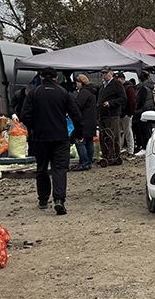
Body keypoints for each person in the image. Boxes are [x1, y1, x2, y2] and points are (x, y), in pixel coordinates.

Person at [20, 67, 81, 216]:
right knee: (59, 169)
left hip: (40, 138)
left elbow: (25, 115)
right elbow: (76, 114)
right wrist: (77, 132)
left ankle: (43, 199)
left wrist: (34, 128)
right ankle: (59, 199)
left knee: (41, 168)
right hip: (60, 137)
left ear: (41, 77)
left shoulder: (34, 93)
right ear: (56, 78)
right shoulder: (63, 92)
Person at [97, 69, 125, 167]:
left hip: (112, 114)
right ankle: (107, 155)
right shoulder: (103, 86)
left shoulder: (116, 84)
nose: (104, 75)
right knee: (104, 136)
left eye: (106, 73)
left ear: (111, 73)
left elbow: (123, 98)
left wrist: (110, 103)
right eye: (103, 73)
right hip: (103, 114)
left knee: (113, 135)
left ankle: (114, 156)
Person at [71, 74, 98, 171]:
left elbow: (78, 105)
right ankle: (89, 162)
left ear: (81, 82)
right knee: (89, 141)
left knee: (80, 141)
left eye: (77, 82)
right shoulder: (92, 92)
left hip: (84, 121)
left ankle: (84, 163)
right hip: (91, 121)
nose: (76, 84)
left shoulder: (84, 92)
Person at [121, 77, 138, 157]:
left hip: (126, 114)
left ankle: (130, 151)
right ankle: (125, 149)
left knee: (127, 132)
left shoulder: (128, 88)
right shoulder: (127, 88)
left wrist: (130, 113)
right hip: (124, 114)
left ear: (122, 79)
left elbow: (132, 102)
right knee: (126, 132)